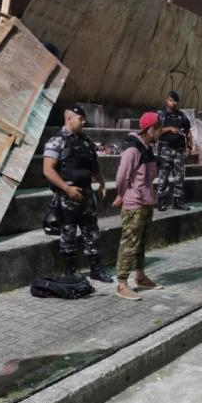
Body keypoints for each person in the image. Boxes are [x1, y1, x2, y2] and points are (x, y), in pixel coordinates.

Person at [42, 105, 114, 283]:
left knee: (92, 233)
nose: (84, 122)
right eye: (80, 119)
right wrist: (67, 189)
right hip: (66, 197)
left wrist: (101, 182)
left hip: (86, 195)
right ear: (69, 119)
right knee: (68, 234)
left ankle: (96, 270)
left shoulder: (86, 141)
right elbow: (47, 169)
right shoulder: (56, 141)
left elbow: (93, 163)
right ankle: (70, 272)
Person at [113, 112, 164, 300]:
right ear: (150, 130)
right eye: (158, 130)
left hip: (146, 201)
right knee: (129, 243)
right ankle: (121, 284)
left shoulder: (147, 147)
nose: (160, 133)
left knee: (142, 242)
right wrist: (121, 194)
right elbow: (121, 176)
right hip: (134, 204)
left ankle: (140, 276)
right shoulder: (133, 149)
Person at [155, 90, 193, 211]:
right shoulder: (161, 115)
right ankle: (161, 202)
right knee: (163, 176)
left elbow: (188, 131)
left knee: (179, 176)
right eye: (171, 100)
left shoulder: (181, 115)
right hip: (165, 148)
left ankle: (178, 202)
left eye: (175, 101)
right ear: (167, 101)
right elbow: (155, 132)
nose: (173, 103)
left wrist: (190, 146)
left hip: (179, 149)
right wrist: (169, 128)